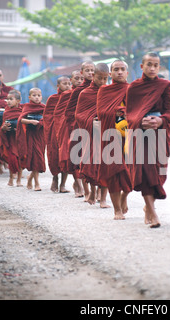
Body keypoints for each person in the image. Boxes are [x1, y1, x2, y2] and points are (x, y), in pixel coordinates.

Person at [126, 52, 170, 228]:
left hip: (160, 133)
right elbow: (129, 113)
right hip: (140, 134)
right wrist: (140, 121)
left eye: (155, 65)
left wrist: (160, 120)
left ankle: (148, 207)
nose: (152, 68)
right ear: (142, 66)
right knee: (145, 171)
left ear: (159, 67)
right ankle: (153, 213)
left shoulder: (166, 86)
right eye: (149, 64)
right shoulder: (133, 88)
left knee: (158, 173)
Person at [97, 60, 133, 220]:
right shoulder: (104, 91)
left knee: (131, 171)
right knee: (112, 173)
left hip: (131, 136)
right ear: (110, 74)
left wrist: (127, 114)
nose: (119, 72)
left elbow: (139, 110)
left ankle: (125, 196)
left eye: (122, 69)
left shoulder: (133, 90)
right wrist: (120, 111)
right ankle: (117, 210)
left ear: (127, 73)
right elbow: (102, 112)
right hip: (110, 135)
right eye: (116, 69)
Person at [75, 63, 110, 208]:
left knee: (106, 165)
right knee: (91, 164)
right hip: (90, 132)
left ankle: (103, 199)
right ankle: (92, 191)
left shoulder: (109, 92)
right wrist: (91, 121)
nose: (102, 82)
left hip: (107, 133)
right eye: (99, 78)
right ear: (93, 76)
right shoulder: (85, 93)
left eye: (105, 79)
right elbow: (79, 114)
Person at [60, 62, 95, 200]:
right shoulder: (78, 91)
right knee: (80, 158)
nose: (90, 73)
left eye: (92, 70)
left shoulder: (101, 89)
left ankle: (95, 189)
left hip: (96, 128)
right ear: (82, 72)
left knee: (96, 159)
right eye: (87, 70)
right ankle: (84, 189)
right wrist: (80, 122)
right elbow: (69, 112)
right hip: (79, 127)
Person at [52, 70, 84, 196]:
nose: (80, 81)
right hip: (66, 128)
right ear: (72, 80)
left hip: (83, 126)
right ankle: (77, 184)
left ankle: (76, 185)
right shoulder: (67, 95)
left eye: (82, 79)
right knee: (69, 154)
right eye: (77, 78)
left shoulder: (87, 92)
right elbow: (57, 114)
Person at [44, 76, 72, 193]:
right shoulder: (52, 99)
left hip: (66, 131)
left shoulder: (72, 96)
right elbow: (47, 116)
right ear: (58, 86)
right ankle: (55, 178)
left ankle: (63, 184)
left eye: (69, 83)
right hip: (54, 131)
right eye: (64, 83)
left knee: (65, 156)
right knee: (55, 155)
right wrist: (57, 122)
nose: (67, 86)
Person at [17, 88, 46, 192]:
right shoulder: (27, 107)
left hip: (41, 135)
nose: (37, 97)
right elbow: (21, 120)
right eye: (34, 95)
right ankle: (37, 183)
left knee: (39, 157)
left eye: (39, 95)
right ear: (29, 97)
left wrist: (42, 122)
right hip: (31, 135)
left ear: (41, 97)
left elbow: (48, 118)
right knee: (35, 158)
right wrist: (31, 121)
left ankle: (30, 178)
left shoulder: (43, 107)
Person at [0, 90, 23, 187]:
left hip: (20, 139)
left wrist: (20, 128)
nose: (8, 101)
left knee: (20, 159)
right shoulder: (6, 112)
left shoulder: (22, 111)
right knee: (11, 158)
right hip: (10, 139)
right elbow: (3, 126)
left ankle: (19, 180)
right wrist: (3, 128)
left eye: (11, 99)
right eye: (7, 99)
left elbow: (24, 124)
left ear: (18, 101)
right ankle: (11, 178)